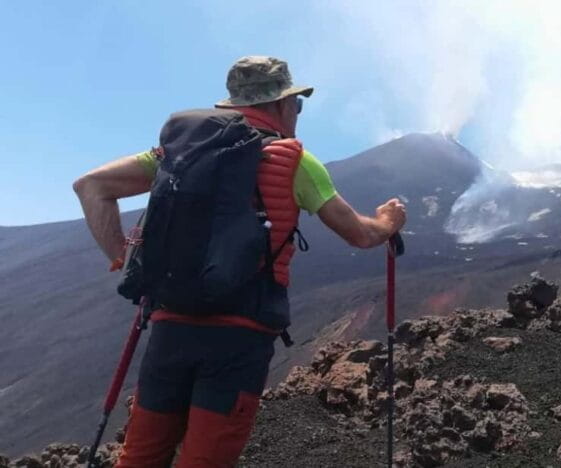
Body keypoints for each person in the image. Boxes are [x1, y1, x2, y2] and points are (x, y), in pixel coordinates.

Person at [73, 56, 407, 467]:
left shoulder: (178, 152)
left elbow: (91, 186)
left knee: (140, 457)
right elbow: (360, 233)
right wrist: (388, 222)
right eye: (296, 105)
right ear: (282, 105)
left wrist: (124, 260)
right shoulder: (296, 162)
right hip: (238, 338)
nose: (296, 114)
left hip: (169, 328)